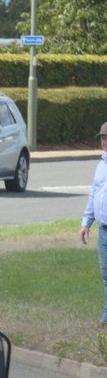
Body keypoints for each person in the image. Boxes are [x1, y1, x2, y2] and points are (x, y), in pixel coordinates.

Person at [80, 122, 107, 327]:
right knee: (106, 275)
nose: (104, 141)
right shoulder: (101, 164)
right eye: (102, 138)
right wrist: (86, 222)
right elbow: (94, 194)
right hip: (104, 229)